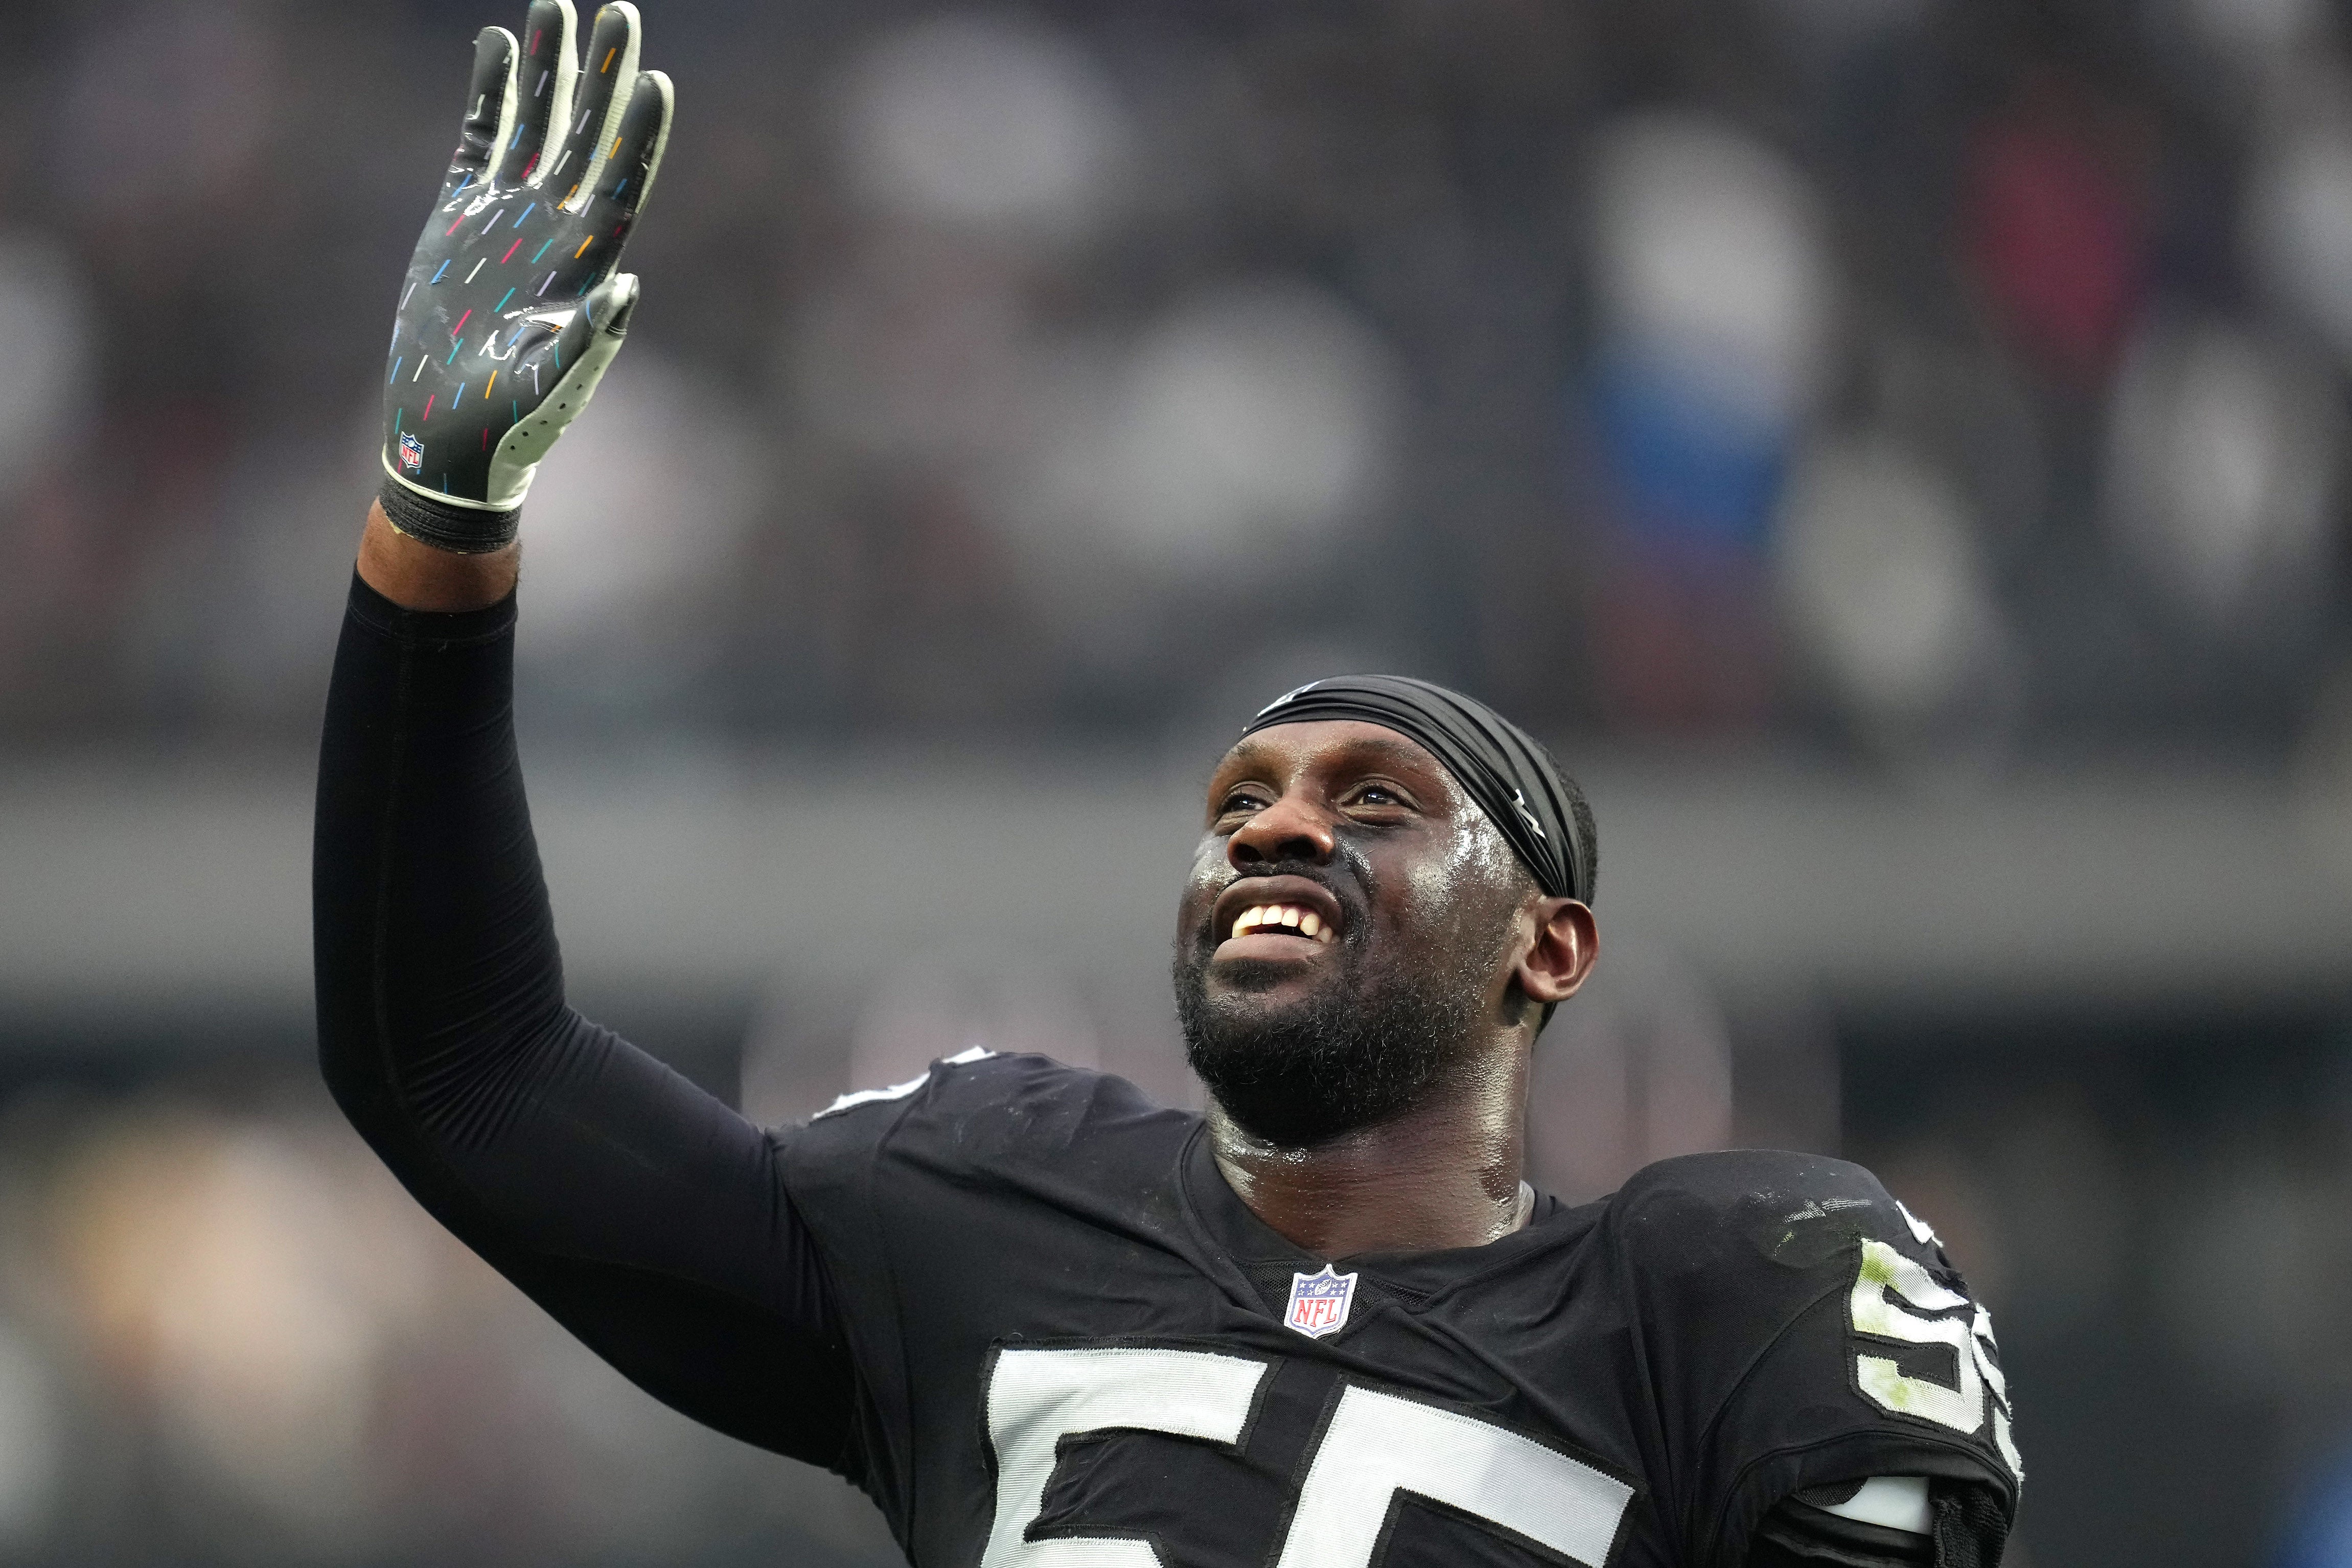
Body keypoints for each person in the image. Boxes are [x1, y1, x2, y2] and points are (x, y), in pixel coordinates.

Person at [315, 6, 2024, 1564]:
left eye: (1373, 803)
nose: (1277, 822)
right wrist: (437, 523)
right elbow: (460, 1068)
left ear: (1548, 947)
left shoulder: (1695, 1296)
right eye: (1242, 801)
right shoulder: (993, 1210)